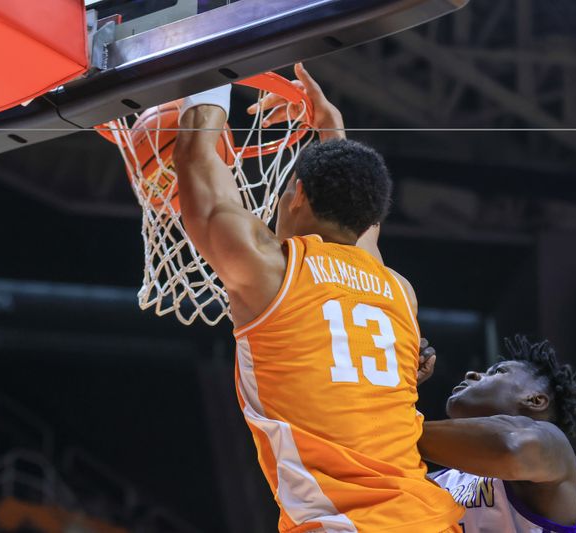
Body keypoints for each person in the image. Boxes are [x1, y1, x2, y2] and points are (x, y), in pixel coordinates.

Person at [172, 64, 463, 532]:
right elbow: (195, 156)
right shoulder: (396, 291)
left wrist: (207, 57)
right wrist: (332, 131)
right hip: (428, 518)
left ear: (298, 194)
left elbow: (194, 155)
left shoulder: (270, 271)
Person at [418, 335, 576, 533]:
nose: (472, 374)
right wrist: (397, 388)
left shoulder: (554, 449)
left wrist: (397, 426)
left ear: (535, 400)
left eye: (498, 371)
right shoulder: (438, 479)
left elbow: (512, 449)